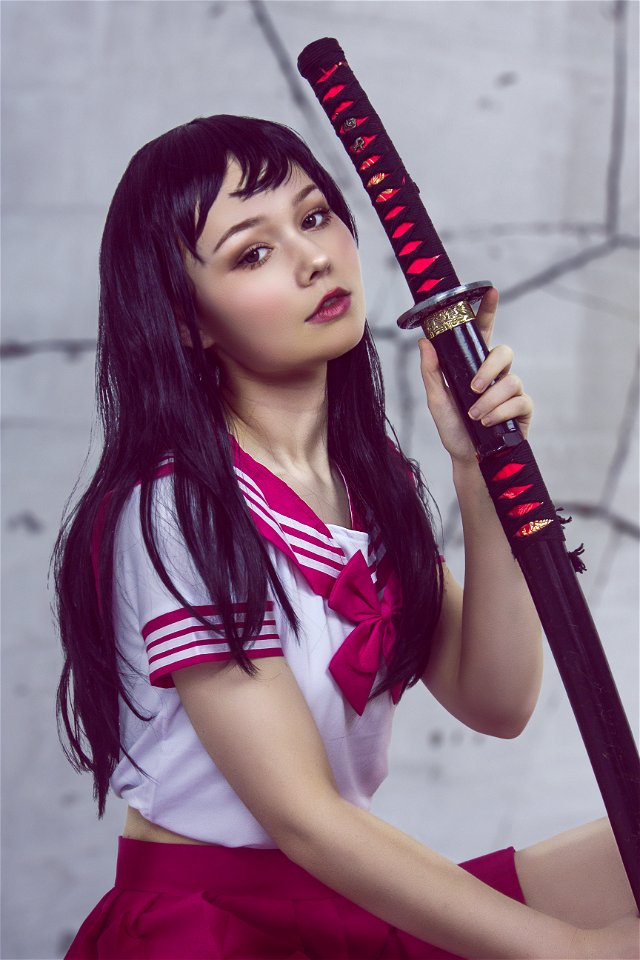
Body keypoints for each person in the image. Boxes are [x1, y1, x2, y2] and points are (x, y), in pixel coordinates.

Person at [54, 115, 638, 960]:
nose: (312, 258)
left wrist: (477, 476)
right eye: (253, 252)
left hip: (338, 896)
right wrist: (573, 952)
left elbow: (499, 700)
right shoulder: (178, 510)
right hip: (211, 929)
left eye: (316, 215)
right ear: (189, 322)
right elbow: (306, 818)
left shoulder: (373, 486)